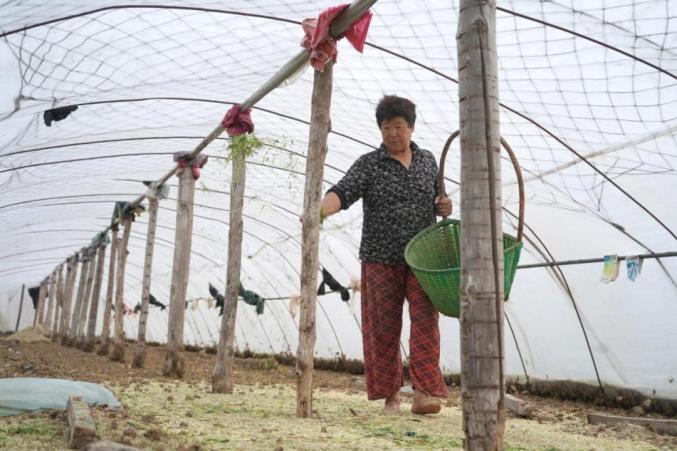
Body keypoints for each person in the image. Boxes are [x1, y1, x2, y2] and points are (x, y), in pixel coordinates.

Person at [320, 95, 452, 414]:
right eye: (386, 127)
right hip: (380, 256)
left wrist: (444, 205)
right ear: (380, 130)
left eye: (399, 127)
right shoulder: (369, 164)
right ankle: (390, 395)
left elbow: (439, 200)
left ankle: (424, 393)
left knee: (425, 323)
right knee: (383, 327)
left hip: (423, 257)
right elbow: (342, 191)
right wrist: (320, 211)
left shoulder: (428, 161)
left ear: (411, 128)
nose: (393, 133)